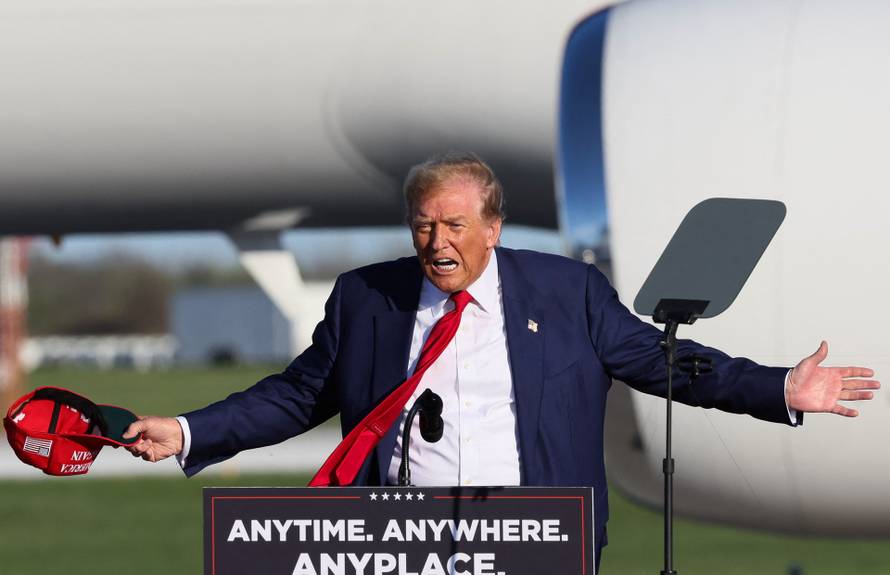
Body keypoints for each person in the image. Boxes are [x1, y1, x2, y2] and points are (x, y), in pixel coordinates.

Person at [124, 151, 879, 566]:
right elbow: (297, 395)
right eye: (424, 226)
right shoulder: (366, 299)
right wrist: (188, 430)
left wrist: (777, 387)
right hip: (405, 543)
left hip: (534, 539)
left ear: (493, 227)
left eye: (455, 225)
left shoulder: (567, 292)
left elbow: (662, 360)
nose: (437, 243)